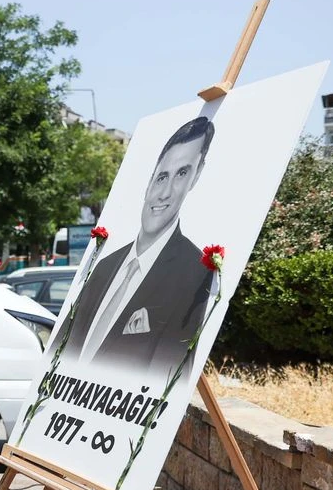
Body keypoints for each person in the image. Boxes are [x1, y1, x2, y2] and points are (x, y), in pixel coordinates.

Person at [58, 116, 217, 372]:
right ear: (149, 181)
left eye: (182, 173)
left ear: (196, 176)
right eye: (162, 176)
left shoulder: (196, 273)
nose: (164, 193)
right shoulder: (104, 266)